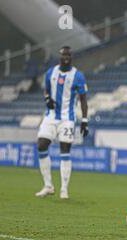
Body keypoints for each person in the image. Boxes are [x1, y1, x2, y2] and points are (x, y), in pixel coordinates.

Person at [35, 46, 89, 199]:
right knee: (41, 145)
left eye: (68, 55)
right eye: (64, 55)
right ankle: (48, 185)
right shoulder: (50, 72)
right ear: (60, 57)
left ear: (71, 57)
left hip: (67, 118)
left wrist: (84, 120)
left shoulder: (78, 76)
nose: (66, 57)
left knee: (65, 150)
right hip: (50, 116)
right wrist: (47, 99)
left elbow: (83, 99)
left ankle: (64, 188)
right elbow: (46, 90)